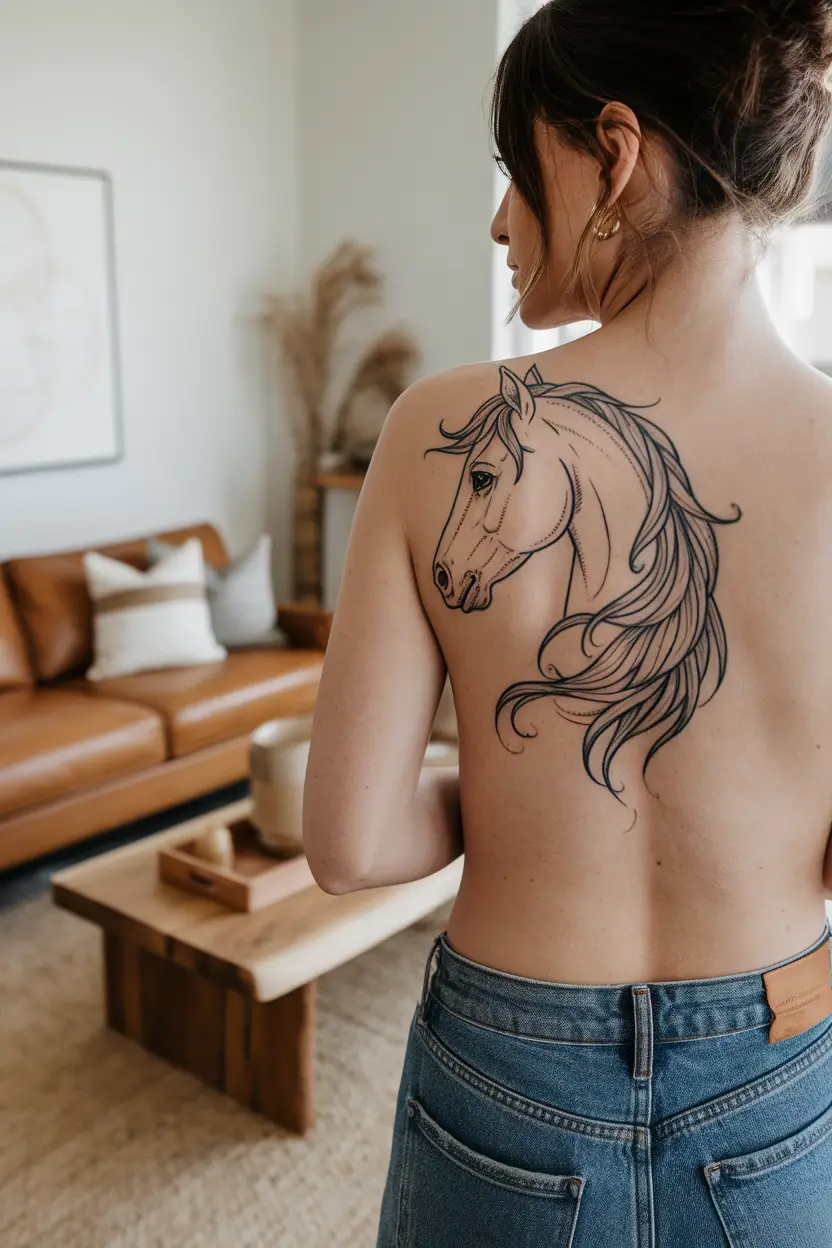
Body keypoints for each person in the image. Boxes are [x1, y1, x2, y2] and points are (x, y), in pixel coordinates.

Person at [302, 1, 832, 1243]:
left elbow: (348, 841)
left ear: (613, 149)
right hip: (772, 1066)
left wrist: (506, 790)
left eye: (510, 167)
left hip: (505, 1072)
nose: (497, 218)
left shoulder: (440, 430)